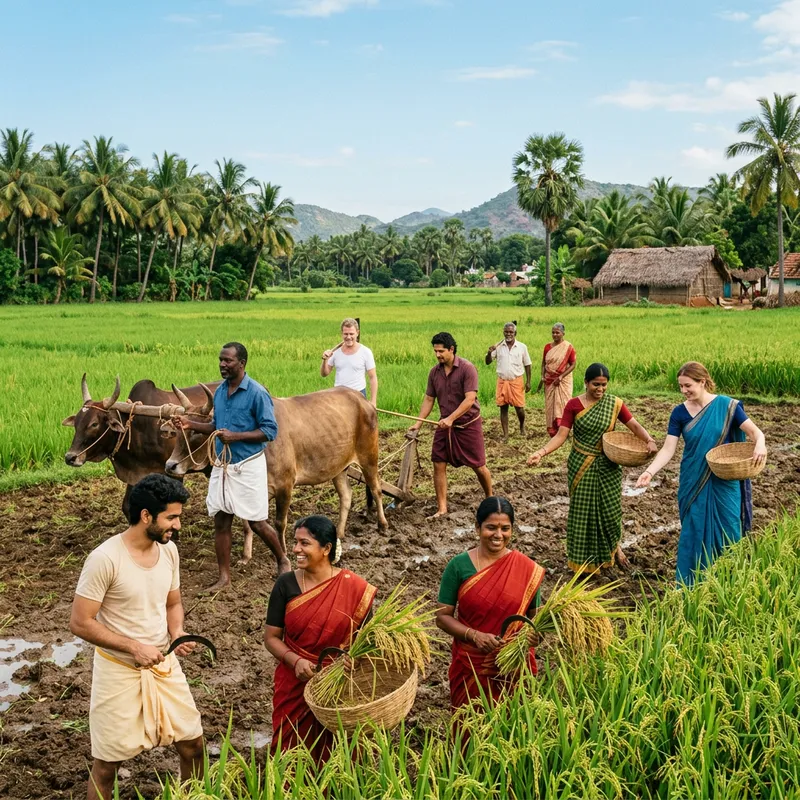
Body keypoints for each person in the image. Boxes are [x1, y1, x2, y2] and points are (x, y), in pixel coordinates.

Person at [69, 474, 204, 800]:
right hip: (119, 670)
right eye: (171, 517)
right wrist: (133, 647)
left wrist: (177, 631)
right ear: (146, 516)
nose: (178, 526)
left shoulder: (169, 552)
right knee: (106, 767)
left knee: (194, 746)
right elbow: (80, 622)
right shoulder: (105, 559)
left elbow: (173, 602)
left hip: (163, 666)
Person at [635, 361, 767, 586]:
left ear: (702, 382)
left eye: (688, 385)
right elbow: (669, 448)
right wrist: (649, 471)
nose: (684, 391)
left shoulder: (727, 407)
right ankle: (691, 586)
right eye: (681, 386)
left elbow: (756, 432)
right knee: (694, 533)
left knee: (729, 530)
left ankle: (729, 584)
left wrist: (760, 444)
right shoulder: (679, 413)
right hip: (693, 480)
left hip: (724, 480)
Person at [174, 342, 289, 592]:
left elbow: (270, 431)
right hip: (223, 465)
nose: (223, 365)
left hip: (247, 464)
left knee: (257, 522)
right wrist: (190, 424)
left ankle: (283, 559)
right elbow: (216, 426)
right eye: (221, 360)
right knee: (221, 521)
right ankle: (224, 578)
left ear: (242, 364)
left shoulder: (257, 393)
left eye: (228, 361)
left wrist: (236, 436)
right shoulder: (221, 392)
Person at [264, 515, 377, 761]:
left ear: (326, 549)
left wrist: (353, 662)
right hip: (293, 684)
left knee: (339, 756)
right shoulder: (286, 584)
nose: (296, 549)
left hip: (337, 686)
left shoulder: (355, 588)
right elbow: (271, 637)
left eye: (304, 543)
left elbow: (367, 645)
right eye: (296, 543)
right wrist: (295, 661)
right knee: (289, 753)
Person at [527, 363, 657, 573]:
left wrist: (648, 440)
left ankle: (614, 549)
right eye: (596, 384)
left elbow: (633, 424)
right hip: (582, 465)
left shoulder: (614, 403)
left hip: (608, 466)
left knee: (610, 513)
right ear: (586, 383)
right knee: (582, 514)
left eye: (604, 385)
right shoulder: (573, 405)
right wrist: (541, 452)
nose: (600, 389)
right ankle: (583, 562)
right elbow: (561, 436)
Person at [435, 497, 546, 709]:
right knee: (470, 727)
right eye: (491, 527)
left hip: (514, 666)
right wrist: (475, 635)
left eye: (505, 528)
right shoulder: (458, 566)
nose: (498, 535)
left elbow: (537, 618)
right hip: (472, 665)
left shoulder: (526, 569)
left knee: (516, 729)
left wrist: (534, 636)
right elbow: (442, 617)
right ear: (477, 528)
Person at [407, 332, 493, 518]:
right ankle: (442, 508)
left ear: (451, 349)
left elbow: (470, 399)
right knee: (438, 463)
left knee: (478, 465)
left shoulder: (467, 369)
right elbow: (429, 399)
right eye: (435, 351)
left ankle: (490, 498)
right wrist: (418, 423)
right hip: (444, 425)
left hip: (467, 424)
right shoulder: (434, 372)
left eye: (441, 351)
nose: (437, 355)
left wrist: (452, 419)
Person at [485, 322, 532, 438]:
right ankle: (506, 434)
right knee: (503, 408)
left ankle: (521, 425)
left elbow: (527, 364)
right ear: (503, 332)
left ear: (515, 333)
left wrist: (528, 382)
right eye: (506, 332)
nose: (508, 334)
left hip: (517, 381)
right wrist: (489, 352)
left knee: (520, 408)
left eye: (511, 332)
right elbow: (487, 362)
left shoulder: (522, 347)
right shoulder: (498, 347)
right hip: (502, 381)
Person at [321, 318, 378, 406]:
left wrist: (373, 401)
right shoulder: (335, 352)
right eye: (346, 334)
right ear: (342, 334)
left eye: (351, 334)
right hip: (338, 395)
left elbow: (373, 377)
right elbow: (324, 373)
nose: (348, 337)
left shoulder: (366, 352)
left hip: (358, 395)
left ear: (357, 333)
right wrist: (325, 360)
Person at [542, 323, 577, 437]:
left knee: (563, 404)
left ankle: (563, 430)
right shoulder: (547, 347)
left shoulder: (568, 347)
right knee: (550, 405)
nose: (555, 335)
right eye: (553, 332)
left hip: (563, 381)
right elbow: (544, 363)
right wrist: (543, 375)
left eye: (557, 332)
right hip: (549, 380)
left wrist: (561, 377)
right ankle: (553, 429)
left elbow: (573, 364)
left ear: (563, 333)